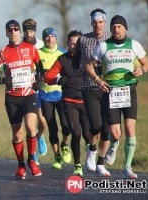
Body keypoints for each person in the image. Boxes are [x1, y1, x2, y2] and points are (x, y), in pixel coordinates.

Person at [86, 15, 148, 179]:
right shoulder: (103, 46)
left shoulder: (134, 45)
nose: (116, 29)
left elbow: (147, 63)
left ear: (125, 28)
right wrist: (97, 80)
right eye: (114, 26)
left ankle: (127, 167)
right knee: (115, 134)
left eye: (120, 26)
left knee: (129, 128)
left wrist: (141, 71)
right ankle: (114, 145)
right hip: (111, 92)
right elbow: (89, 65)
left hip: (129, 90)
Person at [0, 19, 42, 179]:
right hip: (12, 97)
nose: (13, 32)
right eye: (10, 30)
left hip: (29, 95)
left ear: (20, 32)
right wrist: (3, 80)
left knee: (30, 126)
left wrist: (39, 80)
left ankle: (32, 160)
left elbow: (39, 66)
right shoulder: (4, 52)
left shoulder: (31, 48)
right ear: (6, 33)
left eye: (15, 29)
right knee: (17, 134)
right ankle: (21, 164)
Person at [44, 30, 90, 176]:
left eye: (77, 44)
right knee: (76, 133)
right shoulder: (62, 59)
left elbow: (99, 73)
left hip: (85, 100)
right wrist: (58, 79)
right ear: (67, 44)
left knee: (89, 135)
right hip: (69, 101)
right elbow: (48, 76)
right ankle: (77, 165)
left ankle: (92, 157)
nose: (74, 46)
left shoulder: (87, 59)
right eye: (71, 43)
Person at [73, 8, 112, 177]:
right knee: (95, 125)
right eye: (95, 23)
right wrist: (81, 71)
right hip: (90, 87)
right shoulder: (83, 40)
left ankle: (101, 163)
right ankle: (92, 149)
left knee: (107, 129)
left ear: (105, 23)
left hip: (110, 88)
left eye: (101, 22)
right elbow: (76, 62)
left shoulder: (112, 38)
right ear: (91, 23)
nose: (98, 26)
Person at [38, 27, 71, 170]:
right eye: (46, 36)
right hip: (45, 96)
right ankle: (57, 156)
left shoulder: (63, 52)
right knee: (52, 128)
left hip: (61, 95)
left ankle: (64, 145)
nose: (49, 38)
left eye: (52, 36)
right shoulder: (38, 54)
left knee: (66, 125)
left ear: (56, 38)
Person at [21, 19, 48, 162]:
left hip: (39, 87)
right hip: (26, 88)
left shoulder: (41, 45)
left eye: (30, 31)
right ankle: (33, 155)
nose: (28, 34)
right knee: (30, 123)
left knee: (43, 120)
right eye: (25, 31)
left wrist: (41, 80)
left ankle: (40, 136)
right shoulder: (20, 45)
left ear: (35, 31)